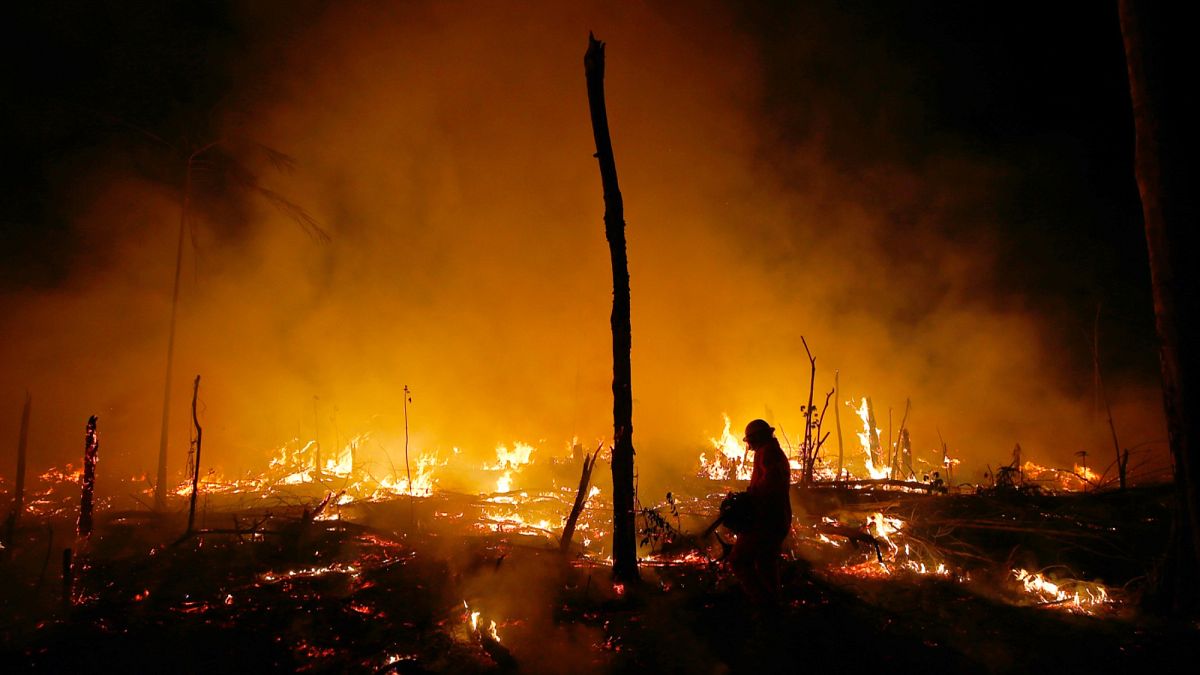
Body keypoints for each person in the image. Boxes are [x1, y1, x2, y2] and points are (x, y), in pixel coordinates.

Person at [730, 418, 792, 605]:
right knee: (766, 563)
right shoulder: (772, 451)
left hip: (766, 519)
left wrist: (751, 495)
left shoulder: (767, 452)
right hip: (776, 517)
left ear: (756, 438)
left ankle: (764, 604)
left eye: (750, 440)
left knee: (739, 560)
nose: (749, 445)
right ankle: (774, 605)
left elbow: (771, 480)